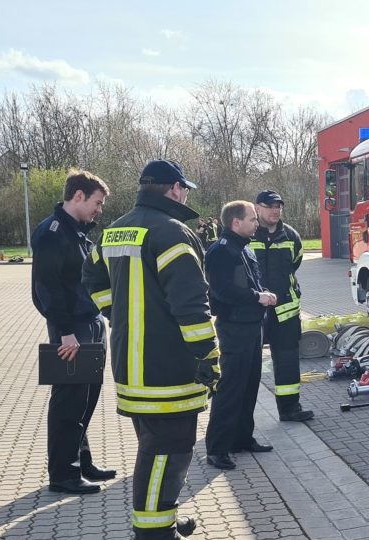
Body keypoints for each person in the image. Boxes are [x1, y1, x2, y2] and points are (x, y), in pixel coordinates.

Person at [83, 159, 218, 539]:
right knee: (167, 454)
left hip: (130, 362)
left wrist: (118, 312)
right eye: (185, 189)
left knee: (155, 446)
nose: (186, 194)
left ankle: (163, 519)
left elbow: (91, 277)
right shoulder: (172, 232)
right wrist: (209, 355)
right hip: (168, 370)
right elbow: (192, 307)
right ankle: (154, 532)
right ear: (175, 189)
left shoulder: (113, 230)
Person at [31, 169, 114, 495]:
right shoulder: (52, 233)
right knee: (68, 401)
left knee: (87, 397)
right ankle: (63, 474)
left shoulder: (77, 233)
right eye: (97, 202)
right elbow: (45, 288)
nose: (99, 209)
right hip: (71, 331)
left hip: (90, 325)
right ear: (78, 196)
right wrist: (65, 331)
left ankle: (82, 462)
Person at [204, 201, 278, 470]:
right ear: (236, 222)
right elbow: (222, 291)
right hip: (234, 327)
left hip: (252, 325)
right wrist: (259, 297)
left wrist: (262, 293)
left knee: (249, 385)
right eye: (252, 219)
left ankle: (242, 438)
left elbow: (250, 282)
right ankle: (217, 448)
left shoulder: (243, 248)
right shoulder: (221, 251)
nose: (256, 223)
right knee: (231, 388)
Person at [251, 190, 314, 422]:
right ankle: (242, 414)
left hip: (285, 311)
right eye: (270, 206)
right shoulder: (248, 234)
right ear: (257, 208)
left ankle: (290, 409)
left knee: (287, 361)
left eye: (278, 206)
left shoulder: (291, 236)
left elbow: (295, 264)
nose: (275, 210)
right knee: (248, 363)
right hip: (253, 311)